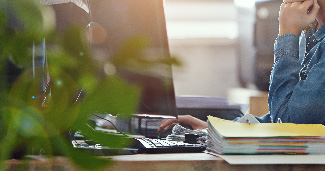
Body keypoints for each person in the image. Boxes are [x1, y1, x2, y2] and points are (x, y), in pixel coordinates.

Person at [159, 0, 325, 132]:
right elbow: (283, 116)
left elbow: (290, 126)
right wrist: (217, 129)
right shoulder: (311, 33)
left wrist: (287, 33)